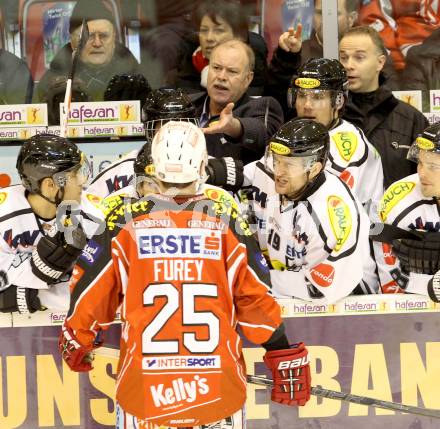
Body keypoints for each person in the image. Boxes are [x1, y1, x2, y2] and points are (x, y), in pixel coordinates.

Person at [59, 121, 312, 428]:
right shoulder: (226, 221)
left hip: (146, 395)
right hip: (216, 391)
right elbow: (256, 299)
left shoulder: (123, 221)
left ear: (154, 168)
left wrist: (78, 338)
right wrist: (280, 350)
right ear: (203, 167)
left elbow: (89, 294)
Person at [240, 118, 379, 302]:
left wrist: (257, 277)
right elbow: (242, 176)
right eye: (277, 160)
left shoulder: (332, 213)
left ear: (314, 169)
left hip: (347, 304)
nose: (278, 172)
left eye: (288, 165)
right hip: (286, 289)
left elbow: (322, 290)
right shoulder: (277, 171)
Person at [85, 88, 244, 199]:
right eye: (165, 125)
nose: (173, 131)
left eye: (181, 123)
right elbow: (90, 211)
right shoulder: (120, 170)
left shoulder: (211, 166)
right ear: (150, 130)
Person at [0, 134, 90, 313]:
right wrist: (34, 296)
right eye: (75, 176)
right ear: (50, 185)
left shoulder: (92, 212)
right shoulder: (4, 214)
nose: (82, 182)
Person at [339, 26, 429, 188]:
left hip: (397, 212)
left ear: (380, 62)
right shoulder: (331, 115)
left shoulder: (411, 120)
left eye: (359, 57)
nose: (348, 65)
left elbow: (428, 180)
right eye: (344, 58)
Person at [291, 57, 384, 207]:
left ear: (338, 101)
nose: (307, 105)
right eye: (302, 95)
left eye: (318, 97)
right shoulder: (295, 133)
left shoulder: (350, 147)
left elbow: (334, 206)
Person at [373, 122, 440, 294]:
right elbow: (389, 274)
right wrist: (426, 287)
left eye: (432, 166)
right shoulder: (399, 198)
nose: (421, 173)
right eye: (420, 163)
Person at [193, 39, 284, 164]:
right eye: (216, 68)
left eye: (232, 71)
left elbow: (264, 136)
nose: (221, 77)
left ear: (248, 78)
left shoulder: (262, 106)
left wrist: (234, 127)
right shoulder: (188, 104)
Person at [34, 0, 140, 103]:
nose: (97, 43)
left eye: (104, 36)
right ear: (72, 41)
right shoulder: (51, 86)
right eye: (88, 37)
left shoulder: (135, 79)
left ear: (114, 39)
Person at [266, 0, 361, 113]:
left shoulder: (365, 52)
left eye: (334, 14)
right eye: (319, 13)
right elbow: (276, 96)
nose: (325, 20)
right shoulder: (298, 52)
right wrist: (286, 57)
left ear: (351, 18)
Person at [170, 0, 268, 96]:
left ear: (238, 36)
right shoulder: (190, 55)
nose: (209, 38)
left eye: (219, 31)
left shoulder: (254, 52)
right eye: (204, 30)